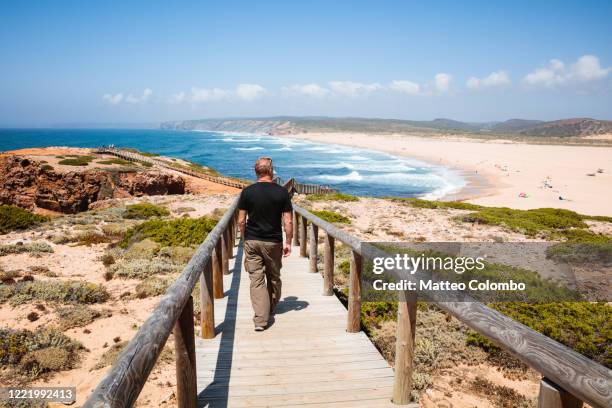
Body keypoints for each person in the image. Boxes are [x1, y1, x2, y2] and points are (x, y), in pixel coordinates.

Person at [238, 157, 293, 331]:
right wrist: (289, 242)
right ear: (271, 171)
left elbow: (241, 220)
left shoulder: (247, 192)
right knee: (274, 276)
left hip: (252, 241)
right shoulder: (282, 193)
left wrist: (245, 236)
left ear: (256, 172)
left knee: (256, 280)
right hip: (273, 242)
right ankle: (270, 307)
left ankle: (261, 319)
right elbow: (288, 221)